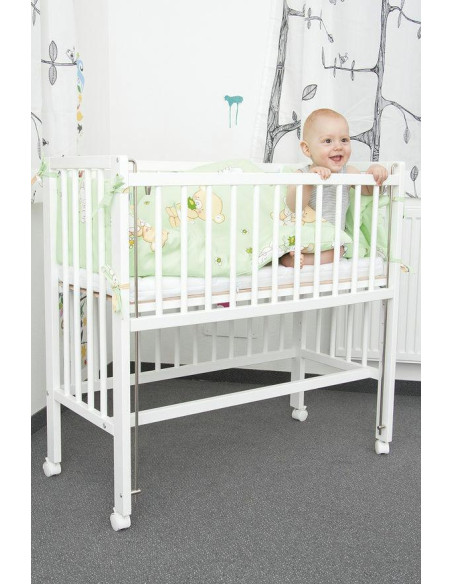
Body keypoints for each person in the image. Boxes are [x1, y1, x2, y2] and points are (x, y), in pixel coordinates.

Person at [279, 108, 388, 268]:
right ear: (307, 149)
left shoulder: (348, 172)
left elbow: (367, 191)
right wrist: (309, 180)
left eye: (344, 140)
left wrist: (374, 173)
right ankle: (287, 257)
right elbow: (294, 206)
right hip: (304, 235)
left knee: (340, 250)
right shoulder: (301, 174)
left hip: (331, 241)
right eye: (328, 141)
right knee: (288, 242)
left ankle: (299, 260)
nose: (338, 146)